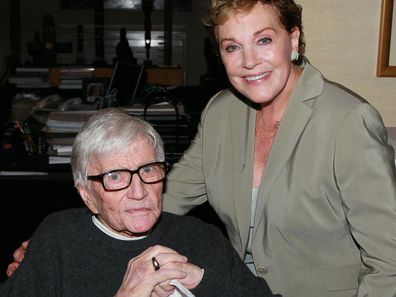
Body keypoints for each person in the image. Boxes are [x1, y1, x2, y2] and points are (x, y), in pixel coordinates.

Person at [6, 1, 396, 296]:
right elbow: (161, 196)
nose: (248, 62)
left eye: (263, 40)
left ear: (292, 39)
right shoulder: (223, 112)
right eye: (231, 47)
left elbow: (389, 261)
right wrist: (62, 246)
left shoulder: (348, 121)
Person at [1, 108, 278, 297]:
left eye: (148, 170)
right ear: (88, 195)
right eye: (116, 176)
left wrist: (200, 278)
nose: (139, 191)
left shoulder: (200, 236)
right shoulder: (58, 239)